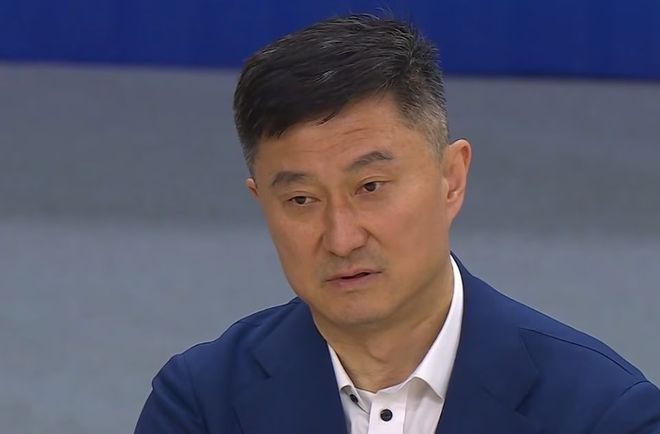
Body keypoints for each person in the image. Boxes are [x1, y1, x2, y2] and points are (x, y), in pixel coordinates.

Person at [135, 14, 660, 434]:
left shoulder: (602, 413)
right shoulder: (202, 406)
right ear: (261, 203)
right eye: (300, 199)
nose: (342, 238)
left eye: (370, 187)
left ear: (451, 179)